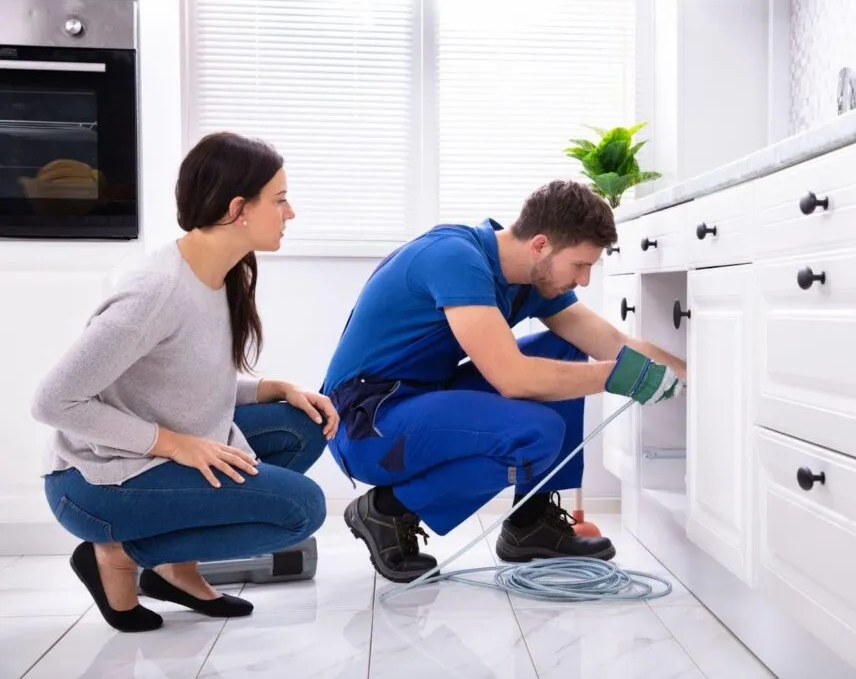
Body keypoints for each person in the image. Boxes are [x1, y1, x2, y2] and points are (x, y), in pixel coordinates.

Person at [31, 132, 338, 633]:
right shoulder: (156, 291)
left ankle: (177, 572)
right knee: (300, 509)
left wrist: (274, 388)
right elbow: (53, 401)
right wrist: (175, 445)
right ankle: (117, 555)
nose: (291, 213)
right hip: (95, 482)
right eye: (280, 200)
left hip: (148, 459)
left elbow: (183, 380)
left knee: (298, 425)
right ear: (239, 208)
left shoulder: (218, 274)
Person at [320, 179, 685, 583]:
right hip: (365, 424)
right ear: (541, 245)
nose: (584, 280)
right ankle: (387, 510)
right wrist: (618, 378)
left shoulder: (531, 279)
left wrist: (697, 376)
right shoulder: (453, 257)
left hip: (423, 401)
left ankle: (531, 522)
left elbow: (613, 344)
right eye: (580, 265)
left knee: (560, 347)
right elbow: (512, 378)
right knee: (536, 432)